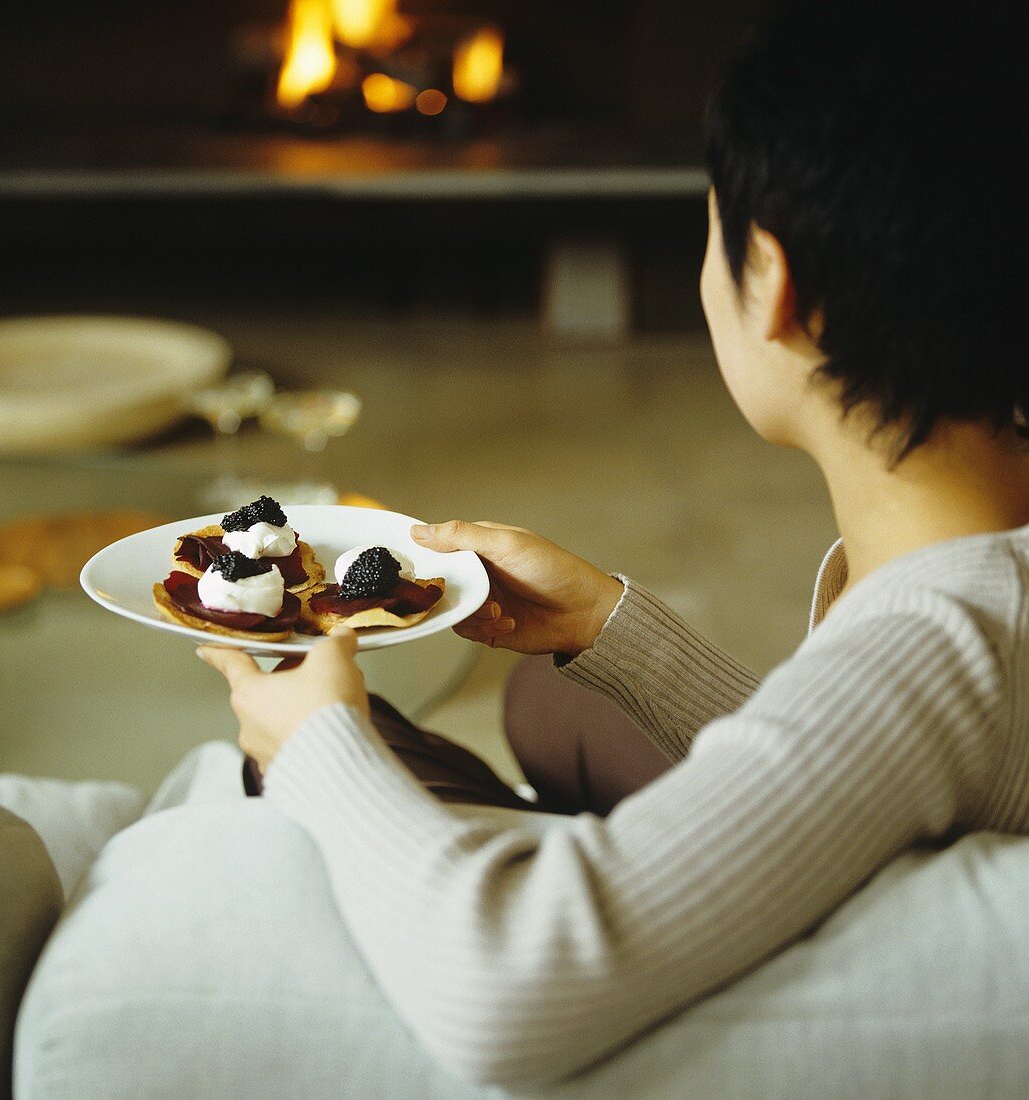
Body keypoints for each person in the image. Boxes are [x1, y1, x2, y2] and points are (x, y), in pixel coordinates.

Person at [199, 0, 1027, 1087]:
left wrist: (320, 744)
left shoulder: (938, 643)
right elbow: (863, 751)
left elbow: (506, 989)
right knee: (555, 695)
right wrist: (613, 630)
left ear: (776, 287)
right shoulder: (976, 557)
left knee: (311, 765)